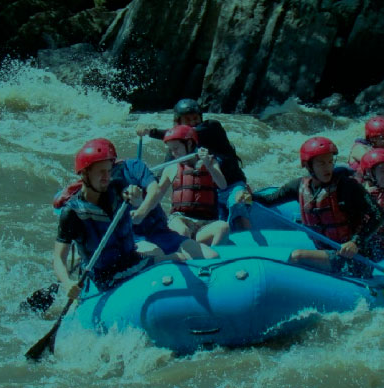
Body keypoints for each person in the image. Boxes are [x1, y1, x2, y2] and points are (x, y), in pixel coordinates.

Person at [54, 138, 217, 299]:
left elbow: (133, 192)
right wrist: (67, 283)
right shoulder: (72, 213)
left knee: (186, 258)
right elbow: (59, 259)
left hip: (134, 261)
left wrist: (136, 196)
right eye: (101, 172)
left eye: (109, 171)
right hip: (106, 277)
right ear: (85, 174)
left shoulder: (117, 188)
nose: (106, 177)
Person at [253, 137, 384, 276]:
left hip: (354, 258)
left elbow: (379, 215)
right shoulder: (298, 186)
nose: (327, 167)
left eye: (330, 161)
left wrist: (355, 243)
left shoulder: (348, 186)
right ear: (308, 165)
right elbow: (268, 200)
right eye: (321, 163)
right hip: (327, 252)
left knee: (297, 256)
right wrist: (247, 196)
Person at [137, 98, 251, 230]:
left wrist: (150, 132)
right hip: (213, 193)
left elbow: (190, 132)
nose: (192, 122)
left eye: (195, 118)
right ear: (178, 122)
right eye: (187, 119)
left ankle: (246, 234)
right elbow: (161, 175)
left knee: (237, 203)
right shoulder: (177, 149)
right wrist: (143, 189)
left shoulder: (212, 128)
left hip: (233, 185)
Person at [131, 125, 230, 246]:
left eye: (176, 148)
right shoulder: (170, 168)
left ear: (189, 143)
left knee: (223, 227)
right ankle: (189, 251)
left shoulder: (210, 162)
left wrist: (209, 165)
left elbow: (222, 185)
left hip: (205, 223)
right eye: (171, 150)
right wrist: (140, 203)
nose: (174, 153)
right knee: (183, 231)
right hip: (180, 219)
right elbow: (156, 195)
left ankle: (212, 256)